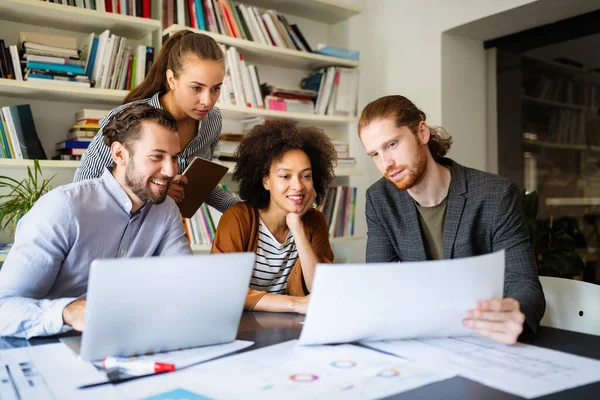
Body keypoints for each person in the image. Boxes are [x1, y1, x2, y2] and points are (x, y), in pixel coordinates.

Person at [358, 95, 545, 345]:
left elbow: (524, 284)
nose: (386, 164)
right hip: (421, 342)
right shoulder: (380, 199)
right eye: (374, 154)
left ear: (421, 132)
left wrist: (515, 312)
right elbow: (380, 284)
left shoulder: (496, 194)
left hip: (484, 339)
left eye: (392, 144)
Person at [0, 104, 192, 339]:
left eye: (174, 157)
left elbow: (184, 286)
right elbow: (4, 308)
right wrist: (68, 312)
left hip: (126, 341)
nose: (171, 170)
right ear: (119, 154)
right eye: (157, 157)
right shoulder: (62, 208)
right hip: (47, 344)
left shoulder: (166, 211)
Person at [74, 29, 238, 212]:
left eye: (215, 89)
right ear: (172, 80)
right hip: (113, 223)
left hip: (165, 227)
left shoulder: (212, 121)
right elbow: (83, 187)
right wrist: (155, 190)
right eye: (196, 88)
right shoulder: (129, 119)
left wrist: (241, 209)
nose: (207, 101)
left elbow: (199, 184)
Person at [211, 120, 337, 314]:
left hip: (292, 326)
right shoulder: (238, 218)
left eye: (306, 176)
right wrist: (294, 304)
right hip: (241, 324)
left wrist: (296, 226)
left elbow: (319, 288)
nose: (298, 186)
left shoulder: (314, 221)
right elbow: (223, 289)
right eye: (285, 176)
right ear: (266, 181)